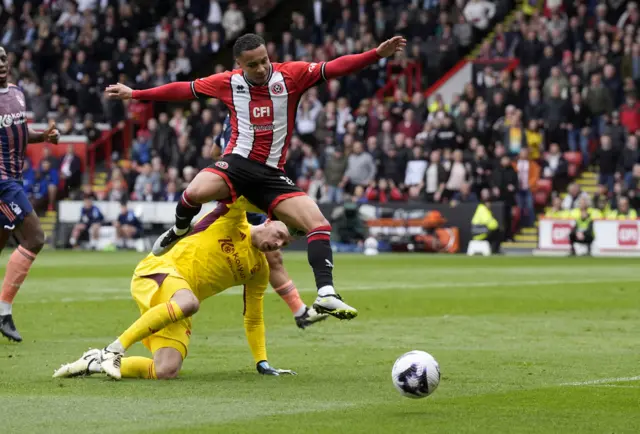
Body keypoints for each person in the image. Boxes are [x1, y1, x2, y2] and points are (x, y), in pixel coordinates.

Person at [105, 34, 406, 320]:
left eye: (264, 60)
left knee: (319, 223)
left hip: (271, 174)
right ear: (239, 65)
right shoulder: (227, 82)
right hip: (236, 163)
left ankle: (326, 294)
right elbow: (184, 89)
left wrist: (376, 54)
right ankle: (180, 229)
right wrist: (136, 94)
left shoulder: (292, 75)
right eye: (252, 64)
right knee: (193, 193)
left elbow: (336, 66)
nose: (261, 68)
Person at [53, 198, 296, 380]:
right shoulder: (233, 217)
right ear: (268, 220)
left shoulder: (259, 270)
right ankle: (113, 350)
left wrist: (262, 361)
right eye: (279, 234)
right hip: (160, 269)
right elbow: (241, 186)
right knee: (190, 303)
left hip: (178, 299)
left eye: (284, 243)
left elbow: (253, 318)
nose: (277, 243)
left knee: (165, 370)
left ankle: (93, 362)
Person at [214, 113, 327, 329]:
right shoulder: (230, 120)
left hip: (257, 190)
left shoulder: (257, 114)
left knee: (273, 255)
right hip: (236, 192)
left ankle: (299, 311)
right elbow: (215, 152)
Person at [0, 46, 60, 342]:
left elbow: (22, 133)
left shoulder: (17, 93)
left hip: (14, 178)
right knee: (36, 237)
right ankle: (3, 312)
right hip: (2, 183)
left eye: (2, 58)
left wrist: (44, 136)